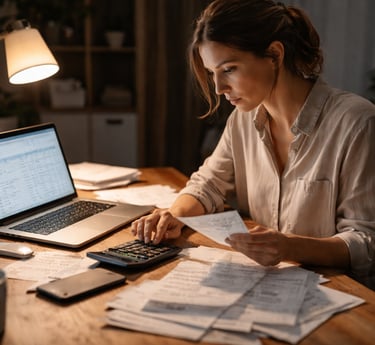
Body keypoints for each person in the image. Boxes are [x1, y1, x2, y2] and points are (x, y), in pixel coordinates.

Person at [131, 0, 375, 287]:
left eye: (229, 69)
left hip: (344, 296)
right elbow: (208, 185)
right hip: (270, 283)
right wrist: (174, 215)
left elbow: (366, 243)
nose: (219, 88)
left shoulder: (358, 122)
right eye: (212, 73)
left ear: (274, 54)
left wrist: (289, 247)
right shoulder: (243, 120)